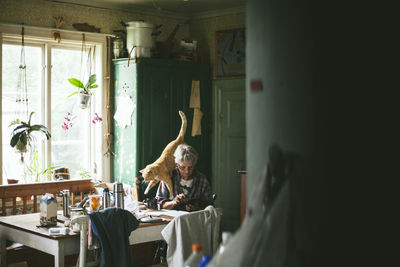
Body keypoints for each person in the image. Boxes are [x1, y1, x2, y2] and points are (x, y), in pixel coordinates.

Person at [156, 144, 213, 212]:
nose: (186, 171)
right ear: (177, 165)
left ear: (194, 165)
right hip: (171, 220)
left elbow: (210, 206)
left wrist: (197, 208)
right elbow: (158, 203)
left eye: (190, 167)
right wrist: (174, 202)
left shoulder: (201, 180)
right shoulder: (169, 177)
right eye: (182, 167)